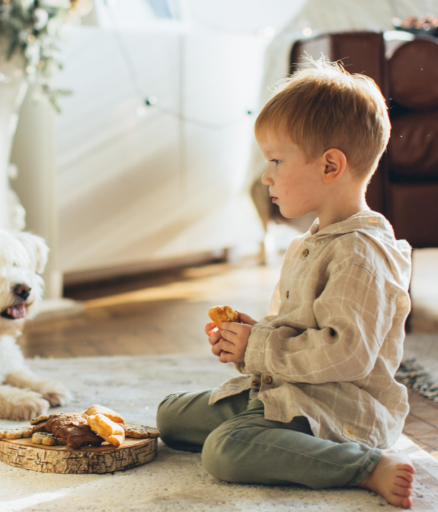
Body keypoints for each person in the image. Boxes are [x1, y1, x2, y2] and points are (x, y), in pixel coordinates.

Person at [156, 58, 416, 509]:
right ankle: (271, 438)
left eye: (276, 160)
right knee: (170, 416)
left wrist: (258, 347)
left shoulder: (360, 253)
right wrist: (251, 337)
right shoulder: (314, 240)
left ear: (330, 166)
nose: (266, 175)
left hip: (337, 409)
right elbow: (303, 328)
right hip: (292, 391)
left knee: (226, 450)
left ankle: (363, 465)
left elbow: (346, 354)